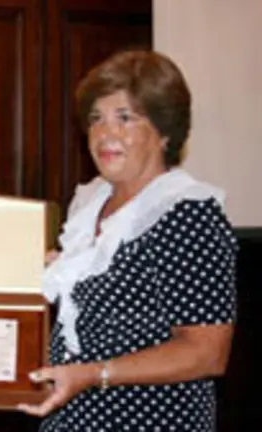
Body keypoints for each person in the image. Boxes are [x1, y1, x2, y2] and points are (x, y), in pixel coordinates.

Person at [16, 50, 237, 431]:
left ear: (165, 131)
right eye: (96, 119)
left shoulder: (186, 212)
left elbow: (206, 351)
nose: (105, 133)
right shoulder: (91, 204)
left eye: (125, 117)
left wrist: (94, 375)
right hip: (70, 417)